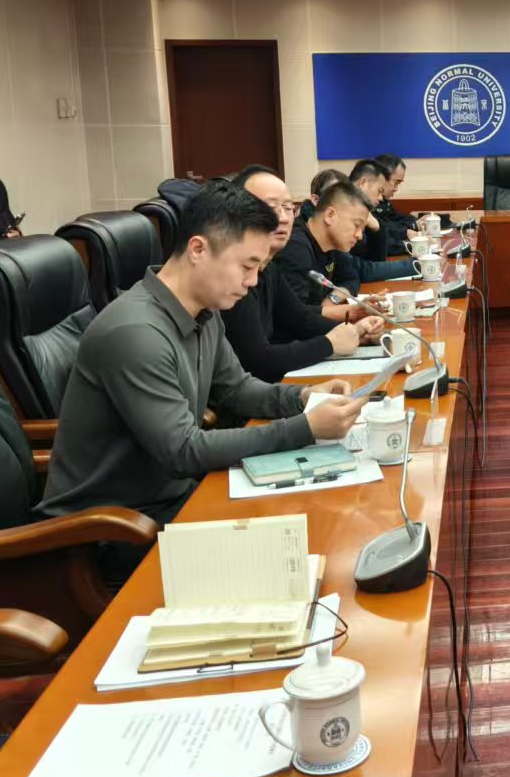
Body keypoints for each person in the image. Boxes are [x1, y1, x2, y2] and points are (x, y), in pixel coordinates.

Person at [37, 181, 366, 546]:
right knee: (300, 537)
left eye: (259, 267)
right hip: (107, 529)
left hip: (171, 499)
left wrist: (303, 398)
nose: (252, 281)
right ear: (198, 249)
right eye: (247, 266)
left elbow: (236, 388)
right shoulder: (134, 332)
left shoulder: (204, 310)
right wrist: (305, 427)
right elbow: (183, 451)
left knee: (319, 513)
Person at [222, 165, 385, 381]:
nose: (283, 218)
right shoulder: (232, 276)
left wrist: (355, 331)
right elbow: (257, 360)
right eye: (271, 207)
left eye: (288, 208)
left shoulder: (268, 267)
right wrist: (329, 343)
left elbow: (301, 319)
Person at [276, 179, 410, 320]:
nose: (359, 236)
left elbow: (351, 279)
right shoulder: (295, 248)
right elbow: (295, 318)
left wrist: (332, 301)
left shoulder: (332, 242)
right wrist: (351, 314)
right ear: (330, 215)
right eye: (356, 225)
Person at [348, 159, 395, 262]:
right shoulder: (341, 214)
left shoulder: (368, 214)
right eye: (379, 191)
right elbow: (355, 266)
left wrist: (377, 228)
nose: (381, 198)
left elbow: (377, 262)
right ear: (363, 183)